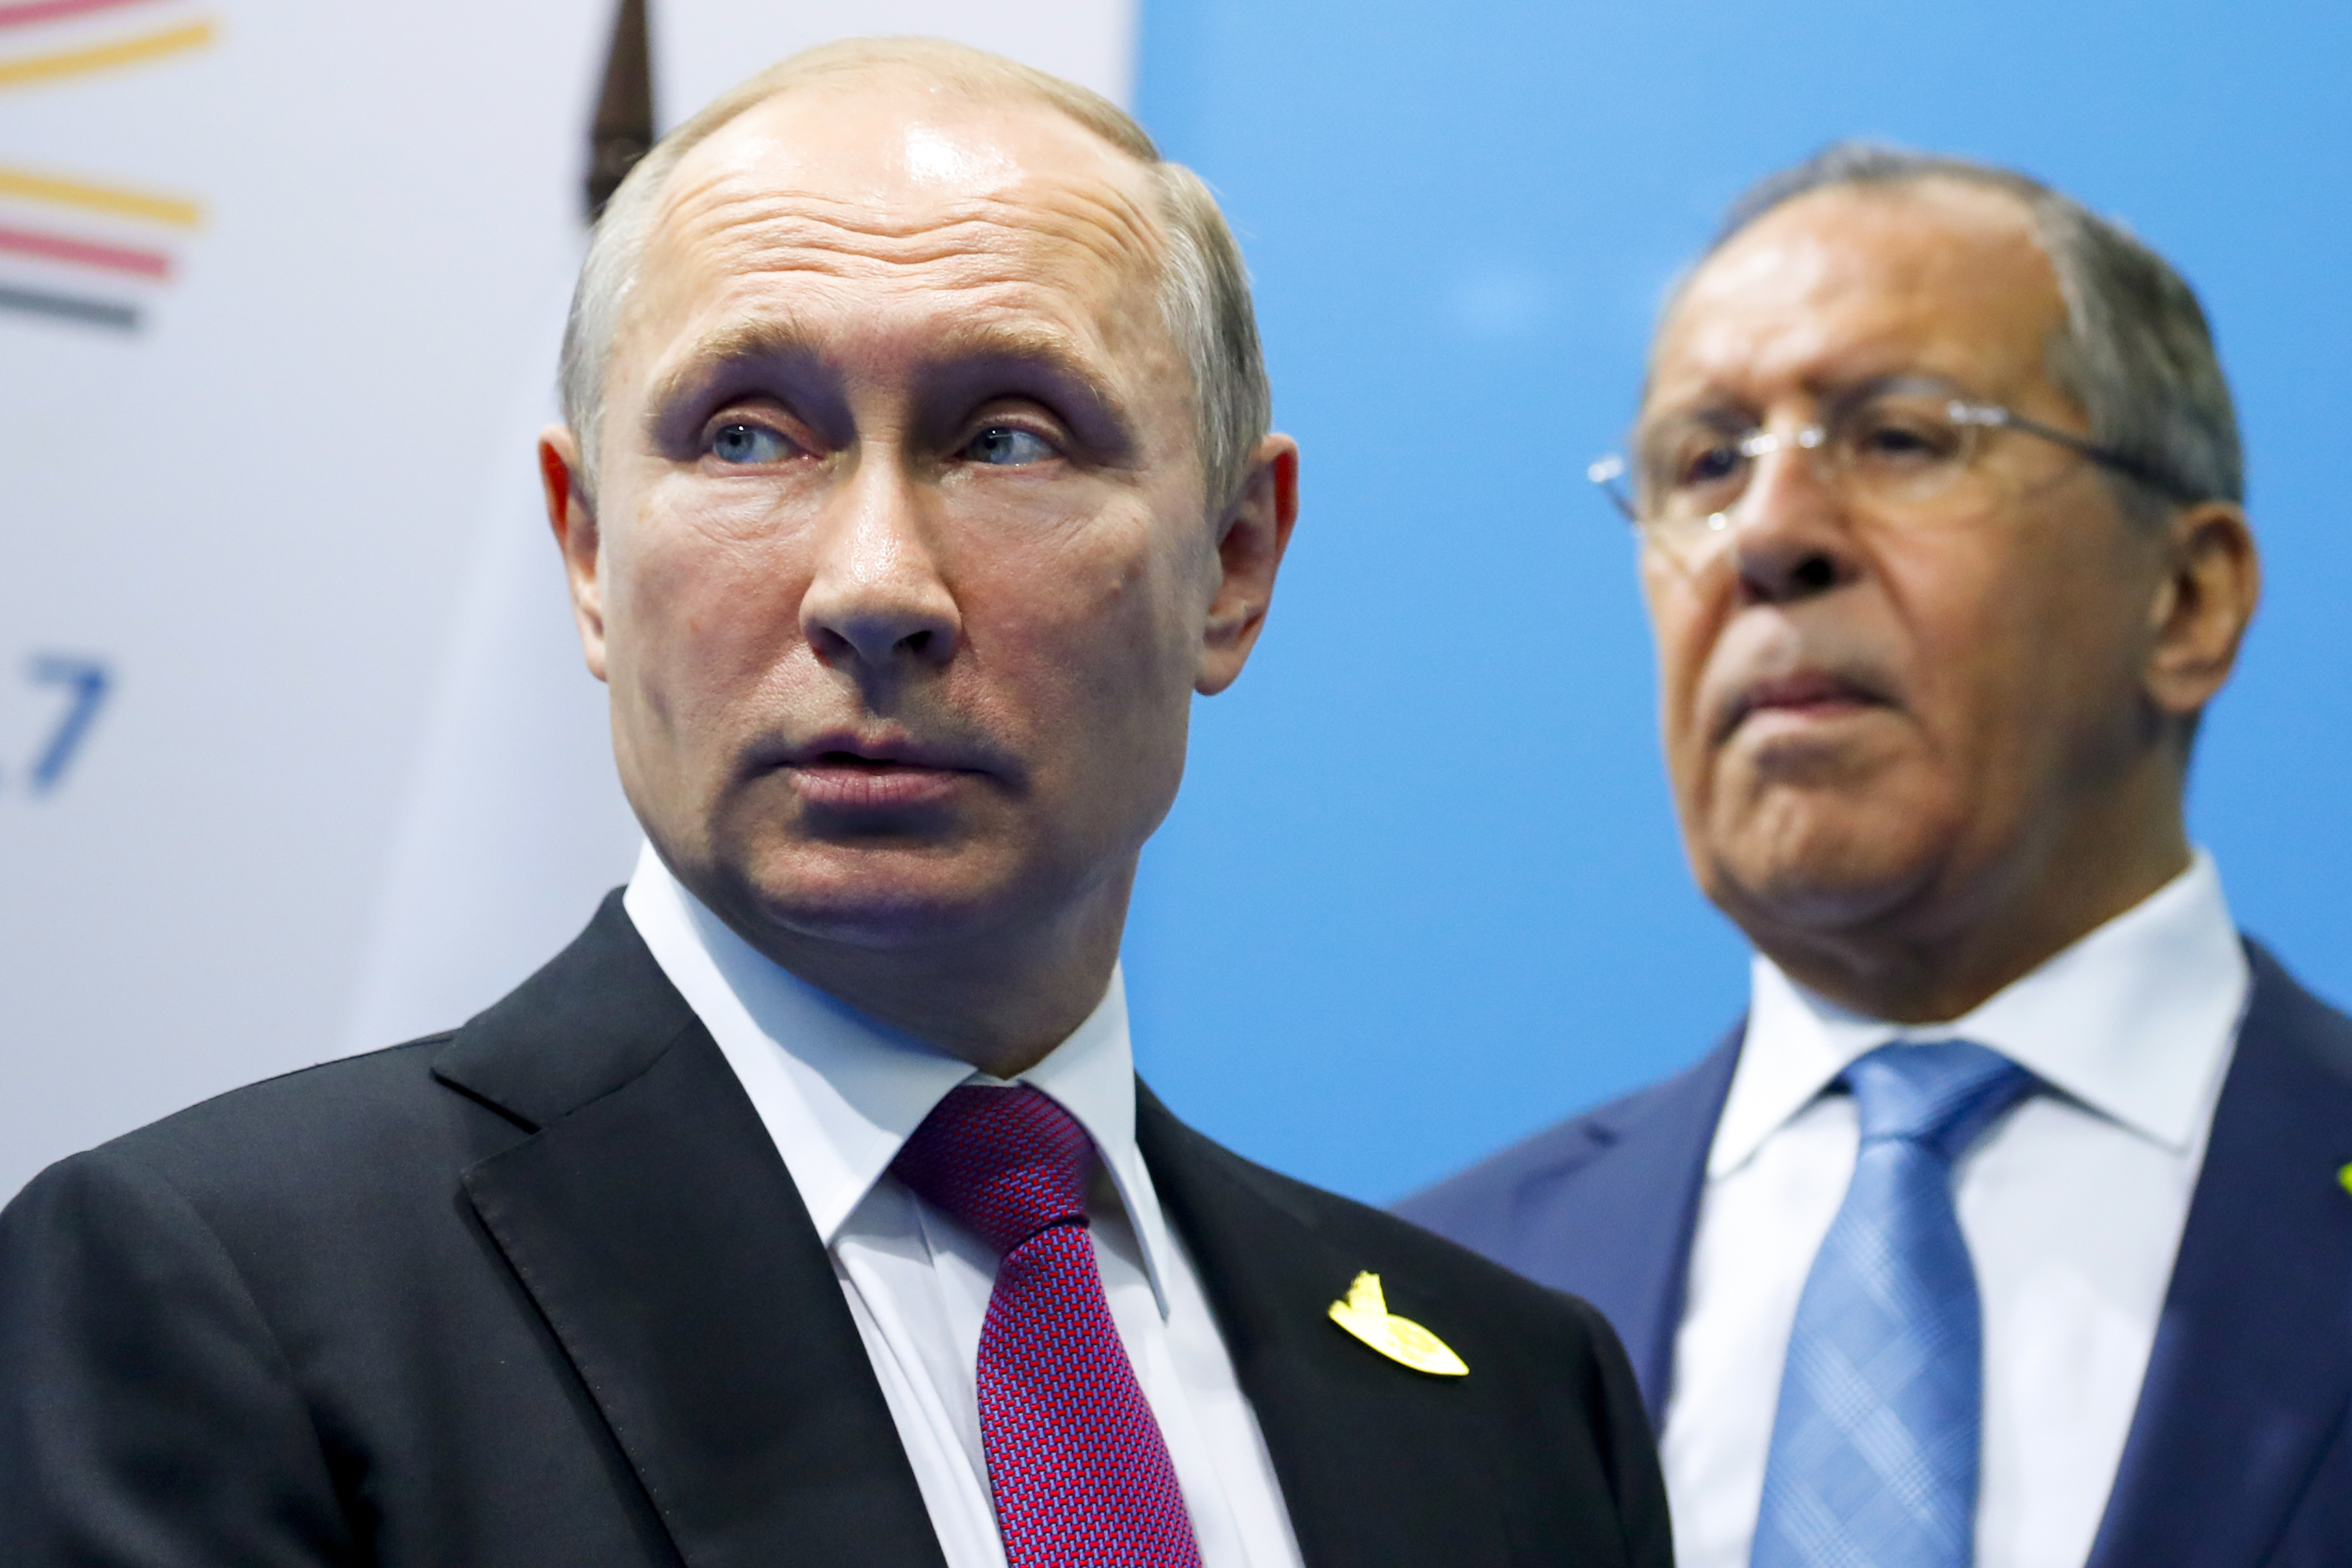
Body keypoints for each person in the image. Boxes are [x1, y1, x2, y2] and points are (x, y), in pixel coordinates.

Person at [0, 39, 1670, 1568]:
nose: (873, 585)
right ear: (588, 554)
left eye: (1008, 440)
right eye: (745, 438)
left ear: (1231, 564)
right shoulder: (230, 1295)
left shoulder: (1520, 1401)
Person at [1402, 144, 2349, 1568]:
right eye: (1704, 463)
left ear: (2184, 597)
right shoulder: (1436, 1306)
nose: (1767, 534)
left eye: (1899, 438)